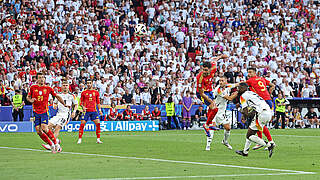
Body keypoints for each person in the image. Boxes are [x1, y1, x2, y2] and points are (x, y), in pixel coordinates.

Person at [27, 73, 66, 153]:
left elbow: (57, 96)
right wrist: (31, 100)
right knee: (38, 131)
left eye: (43, 77)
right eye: (40, 78)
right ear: (37, 79)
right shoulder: (33, 87)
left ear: (44, 79)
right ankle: (51, 144)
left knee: (44, 127)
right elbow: (28, 97)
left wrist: (64, 104)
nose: (41, 79)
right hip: (36, 112)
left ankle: (56, 144)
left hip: (44, 111)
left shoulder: (48, 88)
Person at [235, 83, 275, 158]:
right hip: (267, 113)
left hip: (261, 114)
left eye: (239, 87)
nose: (238, 89)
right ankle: (245, 152)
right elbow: (251, 111)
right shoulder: (251, 93)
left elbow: (246, 112)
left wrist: (239, 109)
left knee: (249, 135)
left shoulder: (243, 96)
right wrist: (245, 115)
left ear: (244, 88)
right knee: (250, 132)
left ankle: (269, 145)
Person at [196, 54, 228, 136]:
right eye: (203, 70)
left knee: (213, 108)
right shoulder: (200, 78)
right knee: (214, 107)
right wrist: (209, 100)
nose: (204, 72)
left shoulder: (214, 67)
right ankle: (207, 125)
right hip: (202, 93)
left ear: (210, 69)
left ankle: (209, 124)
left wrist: (221, 56)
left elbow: (215, 59)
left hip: (209, 90)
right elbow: (201, 93)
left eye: (206, 70)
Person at [42, 80, 78, 150]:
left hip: (66, 115)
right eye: (64, 85)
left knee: (57, 128)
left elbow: (76, 104)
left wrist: (74, 112)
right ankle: (57, 140)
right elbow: (55, 103)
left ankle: (51, 144)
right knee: (46, 127)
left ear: (68, 87)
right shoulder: (58, 95)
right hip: (58, 114)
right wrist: (54, 105)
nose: (65, 87)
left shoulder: (71, 96)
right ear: (61, 86)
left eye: (66, 85)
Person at [246, 67, 275, 150]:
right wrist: (269, 93)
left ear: (255, 73)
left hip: (262, 102)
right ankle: (269, 141)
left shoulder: (251, 80)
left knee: (259, 123)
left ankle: (264, 142)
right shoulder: (262, 79)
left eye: (250, 72)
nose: (249, 74)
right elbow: (273, 85)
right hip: (267, 100)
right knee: (259, 123)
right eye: (248, 72)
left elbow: (241, 85)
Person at [206, 76, 238, 151]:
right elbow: (230, 98)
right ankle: (208, 145)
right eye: (219, 81)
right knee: (212, 126)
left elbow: (236, 84)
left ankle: (225, 141)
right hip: (213, 110)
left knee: (228, 128)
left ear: (226, 81)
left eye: (222, 80)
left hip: (221, 112)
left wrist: (246, 83)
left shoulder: (227, 86)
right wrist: (237, 93)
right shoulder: (218, 90)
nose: (220, 82)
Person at [77, 80, 103, 144]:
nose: (88, 84)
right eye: (87, 83)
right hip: (86, 111)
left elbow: (98, 102)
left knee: (98, 124)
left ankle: (98, 139)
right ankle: (80, 139)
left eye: (90, 83)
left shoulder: (96, 92)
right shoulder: (83, 92)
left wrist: (100, 110)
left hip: (94, 111)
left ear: (92, 84)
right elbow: (81, 102)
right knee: (82, 124)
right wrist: (83, 106)